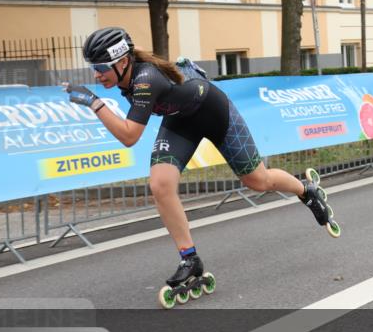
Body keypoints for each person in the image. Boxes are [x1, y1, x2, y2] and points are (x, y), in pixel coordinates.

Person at [63, 27, 336, 305]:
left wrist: (94, 103)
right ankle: (190, 259)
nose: (96, 75)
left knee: (258, 181)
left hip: (215, 113)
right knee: (160, 185)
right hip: (181, 120)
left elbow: (129, 135)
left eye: (100, 68)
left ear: (122, 62)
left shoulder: (145, 80)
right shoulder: (125, 76)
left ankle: (306, 190)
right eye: (93, 68)